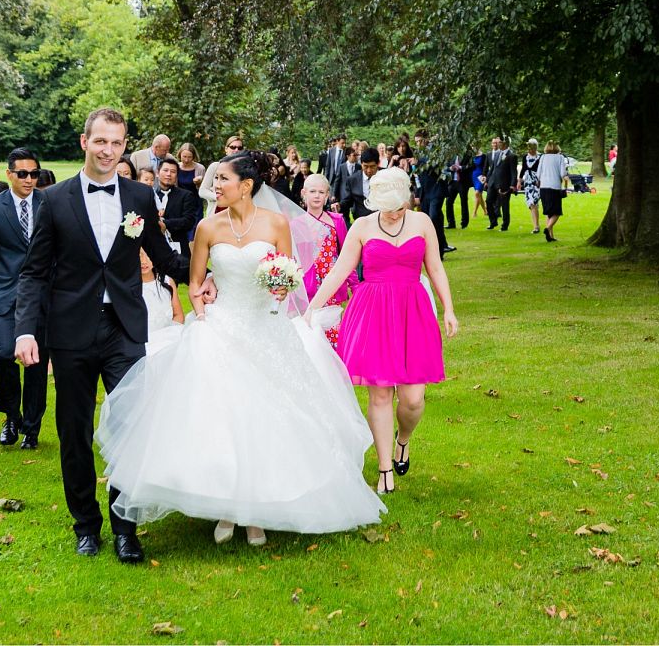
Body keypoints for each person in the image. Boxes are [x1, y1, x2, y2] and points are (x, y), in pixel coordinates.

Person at [97, 152, 384, 546]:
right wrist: (204, 316)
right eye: (214, 182)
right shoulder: (207, 227)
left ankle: (258, 512)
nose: (215, 187)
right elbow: (196, 284)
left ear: (245, 186)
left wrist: (281, 288)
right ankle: (226, 508)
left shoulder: (277, 223)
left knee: (268, 416)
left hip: (264, 324)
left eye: (222, 181)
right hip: (222, 324)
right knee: (222, 416)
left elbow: (288, 278)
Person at [13, 107, 209, 564]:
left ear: (125, 147)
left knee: (129, 428)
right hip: (72, 330)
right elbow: (35, 272)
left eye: (117, 143)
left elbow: (162, 255)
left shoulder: (140, 197)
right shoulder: (55, 200)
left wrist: (203, 277)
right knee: (75, 430)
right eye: (100, 142)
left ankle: (126, 528)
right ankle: (86, 524)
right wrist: (26, 330)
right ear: (85, 142)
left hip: (124, 328)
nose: (108, 151)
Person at [307, 167, 458, 495]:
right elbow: (340, 269)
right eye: (387, 207)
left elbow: (434, 267)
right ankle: (385, 466)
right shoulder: (361, 226)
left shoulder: (421, 223)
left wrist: (448, 309)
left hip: (412, 311)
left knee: (413, 399)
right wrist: (312, 308)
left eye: (399, 207)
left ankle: (403, 440)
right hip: (373, 311)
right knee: (379, 394)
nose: (393, 214)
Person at [0, 148, 49, 449]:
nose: (29, 179)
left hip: (42, 297)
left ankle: (31, 427)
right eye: (23, 174)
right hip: (4, 295)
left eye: (34, 174)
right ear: (9, 174)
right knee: (3, 354)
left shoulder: (49, 203)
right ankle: (11, 416)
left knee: (36, 364)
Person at [290, 173, 351, 336]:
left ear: (327, 196)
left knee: (331, 329)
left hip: (332, 283)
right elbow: (293, 258)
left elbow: (346, 254)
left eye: (321, 192)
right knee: (310, 329)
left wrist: (354, 284)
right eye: (312, 191)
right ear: (304, 193)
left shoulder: (337, 221)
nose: (317, 196)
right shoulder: (295, 224)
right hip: (307, 286)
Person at [151, 157, 202, 263]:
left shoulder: (186, 195)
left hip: (179, 246)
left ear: (176, 175)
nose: (169, 174)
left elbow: (189, 221)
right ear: (157, 173)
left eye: (173, 171)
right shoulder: (149, 194)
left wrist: (165, 224)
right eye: (165, 170)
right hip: (153, 246)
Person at [138, 248, 184, 357]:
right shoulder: (128, 286)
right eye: (139, 255)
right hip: (144, 343)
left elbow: (178, 314)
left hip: (168, 339)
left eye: (148, 255)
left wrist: (169, 336)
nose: (144, 261)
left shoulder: (167, 281)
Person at [412, 131, 451, 257]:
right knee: (431, 220)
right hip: (425, 192)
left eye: (420, 141)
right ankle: (438, 250)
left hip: (437, 189)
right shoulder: (417, 153)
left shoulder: (436, 150)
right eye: (416, 141)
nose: (418, 144)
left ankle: (438, 249)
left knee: (433, 217)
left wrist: (418, 162)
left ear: (427, 139)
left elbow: (435, 166)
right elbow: (417, 176)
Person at [198, 132, 246, 211]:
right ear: (226, 149)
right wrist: (217, 197)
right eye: (233, 147)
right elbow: (202, 191)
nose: (236, 150)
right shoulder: (215, 166)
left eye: (239, 148)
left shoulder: (245, 170)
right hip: (216, 213)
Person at [535, 140, 571, 242]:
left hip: (543, 188)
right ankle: (547, 228)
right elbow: (563, 173)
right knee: (557, 212)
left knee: (549, 213)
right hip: (554, 187)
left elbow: (538, 174)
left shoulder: (543, 157)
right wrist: (566, 182)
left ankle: (550, 236)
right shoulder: (560, 157)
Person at [336, 146, 380, 223]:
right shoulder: (352, 180)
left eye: (372, 167)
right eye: (365, 166)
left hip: (381, 220)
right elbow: (347, 201)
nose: (369, 171)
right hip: (361, 222)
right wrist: (339, 206)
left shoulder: (386, 177)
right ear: (361, 163)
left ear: (378, 164)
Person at [484, 137, 517, 231]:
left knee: (505, 205)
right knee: (488, 201)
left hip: (504, 183)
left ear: (505, 144)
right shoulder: (498, 153)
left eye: (500, 142)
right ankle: (493, 221)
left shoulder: (511, 156)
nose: (498, 143)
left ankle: (505, 225)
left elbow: (513, 172)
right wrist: (487, 179)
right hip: (492, 182)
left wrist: (512, 185)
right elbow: (493, 168)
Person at [520, 138, 543, 236]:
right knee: (531, 204)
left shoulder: (541, 157)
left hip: (537, 182)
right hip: (528, 183)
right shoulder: (525, 157)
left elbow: (543, 170)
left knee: (534, 203)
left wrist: (541, 180)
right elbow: (523, 169)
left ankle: (536, 226)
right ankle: (536, 224)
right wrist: (519, 180)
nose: (529, 150)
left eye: (531, 148)